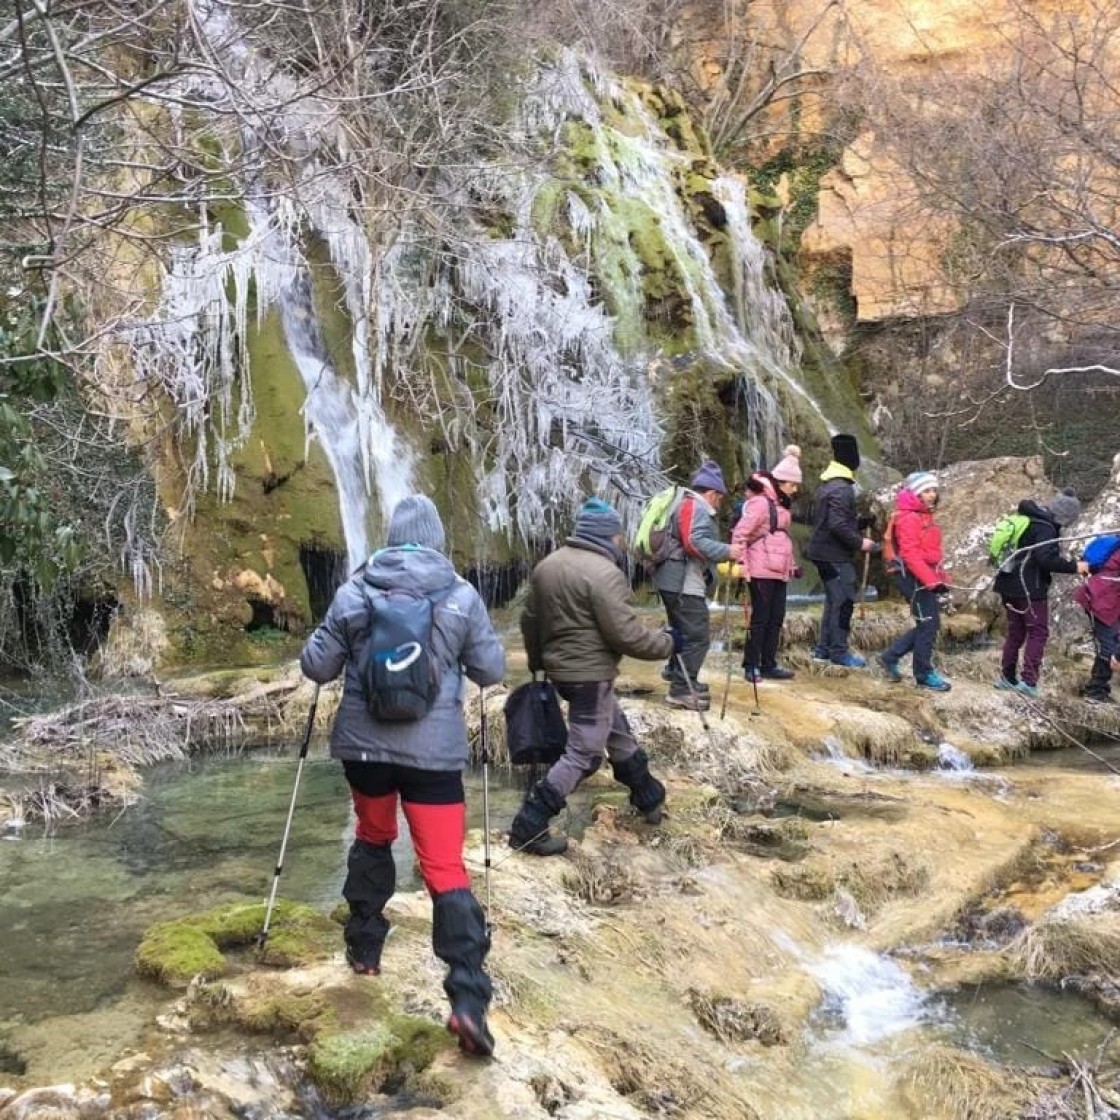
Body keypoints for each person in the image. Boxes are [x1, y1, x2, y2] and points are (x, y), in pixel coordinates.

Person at [299, 494, 505, 1058]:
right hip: (434, 757)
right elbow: (490, 670)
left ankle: (364, 953)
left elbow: (317, 666)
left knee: (373, 837)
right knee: (442, 864)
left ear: (391, 537)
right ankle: (466, 999)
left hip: (365, 751)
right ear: (437, 540)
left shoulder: (355, 590)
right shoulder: (461, 595)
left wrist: (330, 631)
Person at [512, 497, 676, 856]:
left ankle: (647, 795)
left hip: (563, 672)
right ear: (610, 537)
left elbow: (530, 621)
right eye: (620, 537)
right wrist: (666, 644)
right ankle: (530, 822)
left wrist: (539, 662)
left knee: (614, 727)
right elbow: (626, 635)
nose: (622, 543)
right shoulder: (605, 574)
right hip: (591, 675)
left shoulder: (548, 566)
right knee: (584, 754)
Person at [652, 459, 742, 709]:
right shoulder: (696, 506)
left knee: (681, 630)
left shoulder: (683, 503)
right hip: (682, 582)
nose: (720, 503)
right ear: (712, 493)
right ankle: (681, 690)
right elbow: (694, 542)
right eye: (720, 497)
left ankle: (677, 675)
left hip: (672, 579)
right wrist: (728, 551)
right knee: (697, 636)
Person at [993, 488, 1088, 698]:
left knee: (1016, 632)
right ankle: (1028, 681)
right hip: (1029, 588)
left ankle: (1006, 678)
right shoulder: (1046, 528)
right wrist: (1075, 566)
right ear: (1066, 516)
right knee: (1038, 632)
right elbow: (1046, 559)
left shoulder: (1027, 519)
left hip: (1007, 584)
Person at [731, 445, 803, 682]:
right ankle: (751, 664)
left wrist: (791, 565)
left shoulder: (780, 505)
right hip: (760, 569)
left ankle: (768, 663)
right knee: (761, 618)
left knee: (776, 618)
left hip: (778, 571)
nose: (795, 489)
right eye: (792, 484)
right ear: (781, 482)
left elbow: (780, 539)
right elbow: (741, 533)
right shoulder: (761, 503)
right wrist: (740, 564)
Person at [806, 434, 878, 667]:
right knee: (844, 602)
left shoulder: (828, 484)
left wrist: (860, 523)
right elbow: (837, 525)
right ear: (851, 458)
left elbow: (832, 520)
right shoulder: (842, 488)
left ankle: (823, 649)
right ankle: (839, 651)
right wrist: (860, 542)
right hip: (834, 556)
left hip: (822, 553)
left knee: (833, 601)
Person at [876, 471, 952, 692]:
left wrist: (941, 577)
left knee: (928, 623)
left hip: (922, 576)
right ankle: (923, 674)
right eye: (926, 491)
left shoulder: (922, 515)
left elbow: (929, 553)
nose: (931, 495)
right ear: (915, 493)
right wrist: (931, 581)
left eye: (933, 491)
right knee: (928, 624)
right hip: (911, 577)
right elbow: (910, 555)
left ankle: (890, 656)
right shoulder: (909, 517)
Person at [1073, 544, 1120, 704]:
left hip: (1100, 596)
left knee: (1110, 645)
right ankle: (1095, 692)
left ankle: (1099, 688)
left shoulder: (1114, 548)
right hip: (1103, 602)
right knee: (1108, 647)